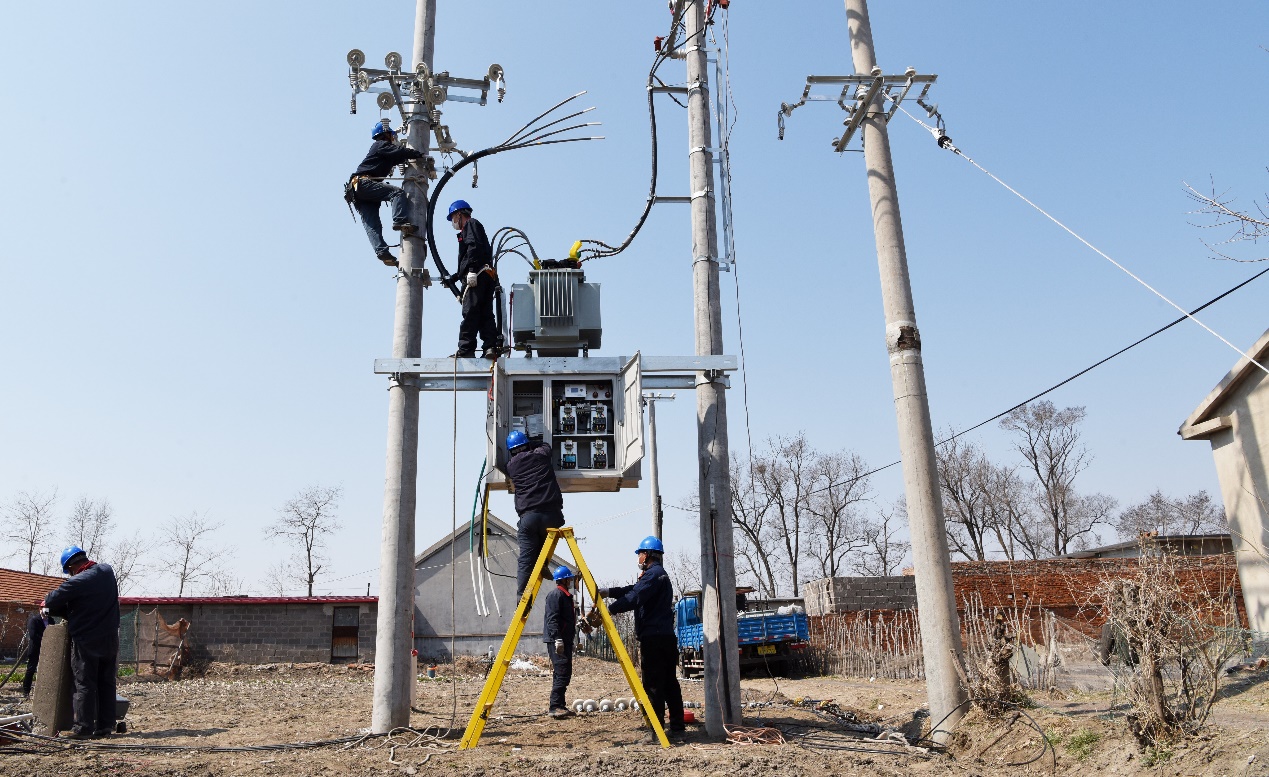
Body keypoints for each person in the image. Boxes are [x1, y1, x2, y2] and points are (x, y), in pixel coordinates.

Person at [598, 536, 685, 739]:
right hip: (665, 637)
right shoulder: (657, 575)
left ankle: (656, 732)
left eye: (640, 553)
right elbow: (632, 590)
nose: (638, 557)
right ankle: (678, 729)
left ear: (647, 554)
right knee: (670, 683)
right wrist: (609, 592)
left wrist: (610, 609)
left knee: (653, 685)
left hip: (654, 639)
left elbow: (635, 597)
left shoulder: (653, 576)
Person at [43, 546, 120, 739]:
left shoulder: (77, 581)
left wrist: (47, 607)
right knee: (106, 682)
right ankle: (105, 726)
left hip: (87, 641)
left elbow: (51, 599)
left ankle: (83, 728)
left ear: (71, 567)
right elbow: (87, 603)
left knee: (84, 683)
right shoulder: (107, 571)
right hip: (110, 638)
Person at [349, 119, 424, 267]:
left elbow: (397, 156)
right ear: (386, 135)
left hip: (357, 191)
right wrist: (418, 154)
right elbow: (400, 152)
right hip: (363, 184)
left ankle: (381, 251)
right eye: (392, 135)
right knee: (397, 193)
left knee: (372, 224)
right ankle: (400, 221)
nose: (393, 138)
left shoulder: (382, 151)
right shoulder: (380, 145)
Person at [505, 430, 565, 596]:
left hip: (529, 518)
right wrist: (534, 441)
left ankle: (521, 596)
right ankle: (543, 563)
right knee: (545, 541)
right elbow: (546, 446)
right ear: (526, 444)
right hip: (552, 516)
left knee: (525, 558)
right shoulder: (540, 455)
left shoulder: (511, 466)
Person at [448, 200, 499, 359]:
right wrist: (455, 277)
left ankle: (465, 350)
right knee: (485, 313)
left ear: (458, 214)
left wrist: (470, 272)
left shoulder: (470, 225)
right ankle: (490, 347)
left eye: (453, 218)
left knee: (470, 313)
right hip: (486, 275)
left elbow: (473, 247)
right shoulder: (476, 226)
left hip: (477, 275)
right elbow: (474, 253)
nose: (453, 223)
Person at [543, 565, 579, 720]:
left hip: (565, 640)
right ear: (563, 580)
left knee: (564, 672)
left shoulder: (566, 596)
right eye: (569, 578)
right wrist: (557, 638)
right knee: (562, 671)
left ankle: (560, 705)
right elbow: (552, 619)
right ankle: (554, 706)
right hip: (557, 640)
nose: (571, 580)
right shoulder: (555, 595)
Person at [20, 609, 46, 698]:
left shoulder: (51, 620)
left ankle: (43, 691)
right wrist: (45, 641)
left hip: (47, 649)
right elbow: (33, 635)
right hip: (35, 648)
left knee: (45, 670)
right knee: (31, 669)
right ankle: (26, 691)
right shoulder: (34, 620)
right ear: (40, 609)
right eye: (44, 608)